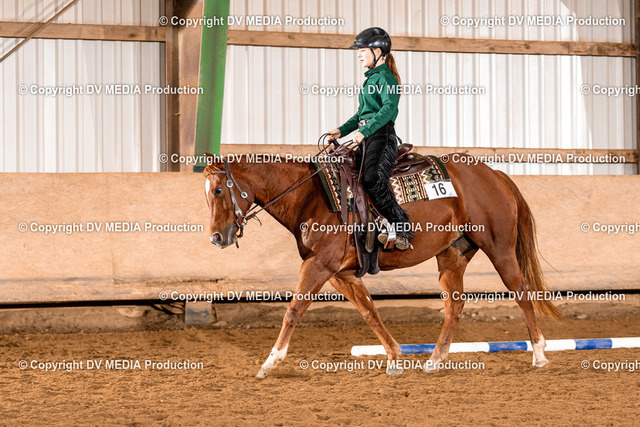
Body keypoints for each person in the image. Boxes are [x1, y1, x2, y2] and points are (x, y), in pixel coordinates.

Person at [328, 27, 413, 250]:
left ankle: (401, 226)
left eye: (362, 50)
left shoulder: (386, 78)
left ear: (378, 51)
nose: (359, 55)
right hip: (367, 137)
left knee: (372, 179)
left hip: (381, 137)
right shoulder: (372, 79)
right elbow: (361, 114)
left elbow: (388, 109)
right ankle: (374, 223)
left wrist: (364, 131)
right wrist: (341, 131)